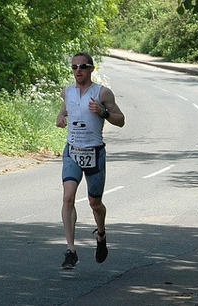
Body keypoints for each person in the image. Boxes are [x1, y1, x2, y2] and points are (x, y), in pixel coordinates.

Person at [56, 52, 125, 269]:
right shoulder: (67, 91)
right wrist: (60, 116)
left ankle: (101, 235)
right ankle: (71, 251)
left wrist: (103, 111)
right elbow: (66, 107)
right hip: (72, 150)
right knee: (68, 198)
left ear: (91, 69)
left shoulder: (102, 93)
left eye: (82, 67)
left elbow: (121, 120)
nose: (78, 71)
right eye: (74, 67)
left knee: (94, 203)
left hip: (94, 152)